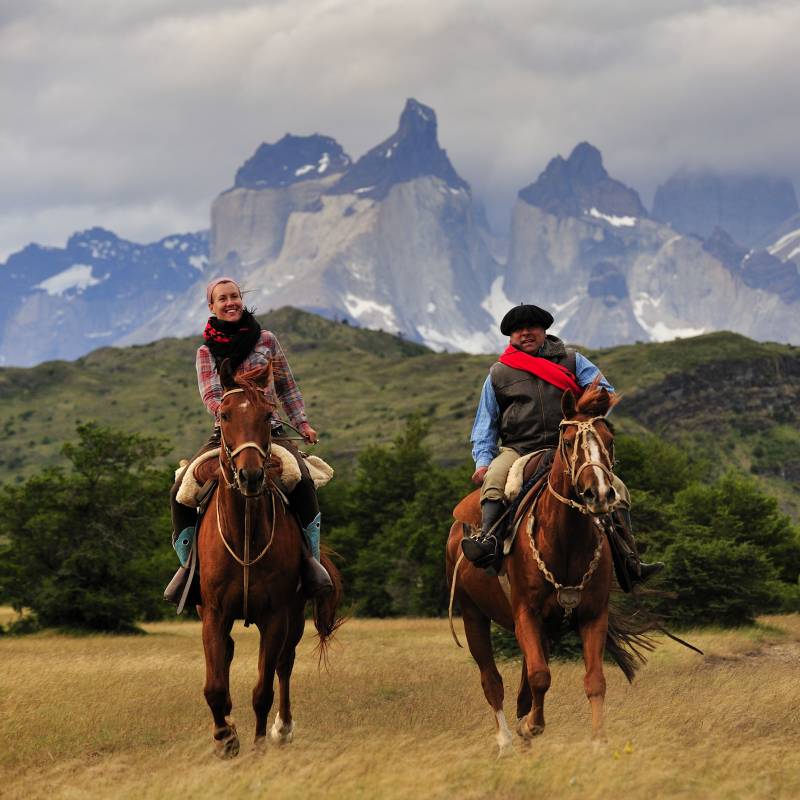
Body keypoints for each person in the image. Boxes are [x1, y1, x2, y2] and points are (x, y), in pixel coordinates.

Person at [460, 303, 663, 588]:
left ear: (544, 331)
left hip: (569, 447)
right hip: (518, 448)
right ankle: (489, 542)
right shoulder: (498, 373)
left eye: (532, 327)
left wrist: (585, 408)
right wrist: (483, 462)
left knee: (618, 488)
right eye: (519, 329)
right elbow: (485, 425)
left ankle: (629, 560)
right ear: (511, 337)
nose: (526, 333)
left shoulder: (572, 360)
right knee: (494, 481)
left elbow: (605, 393)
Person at [164, 276, 332, 604]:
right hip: (226, 433)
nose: (230, 303)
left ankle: (310, 561)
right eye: (222, 299)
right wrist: (236, 412)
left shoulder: (267, 340)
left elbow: (287, 386)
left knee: (302, 479)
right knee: (181, 488)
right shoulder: (204, 351)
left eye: (234, 296)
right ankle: (190, 569)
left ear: (242, 299)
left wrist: (303, 423)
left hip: (270, 432)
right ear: (211, 307)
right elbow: (211, 396)